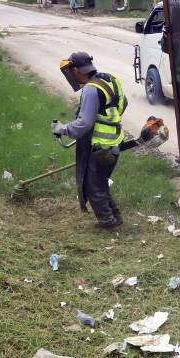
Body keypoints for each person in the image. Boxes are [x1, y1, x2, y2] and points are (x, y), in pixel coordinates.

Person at [54, 52, 128, 229]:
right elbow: (123, 103)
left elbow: (84, 124)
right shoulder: (110, 79)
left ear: (77, 70)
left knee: (92, 186)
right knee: (101, 182)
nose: (71, 75)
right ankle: (115, 217)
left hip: (100, 147)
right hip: (114, 142)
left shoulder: (90, 89)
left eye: (71, 71)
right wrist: (108, 120)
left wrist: (62, 129)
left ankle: (107, 223)